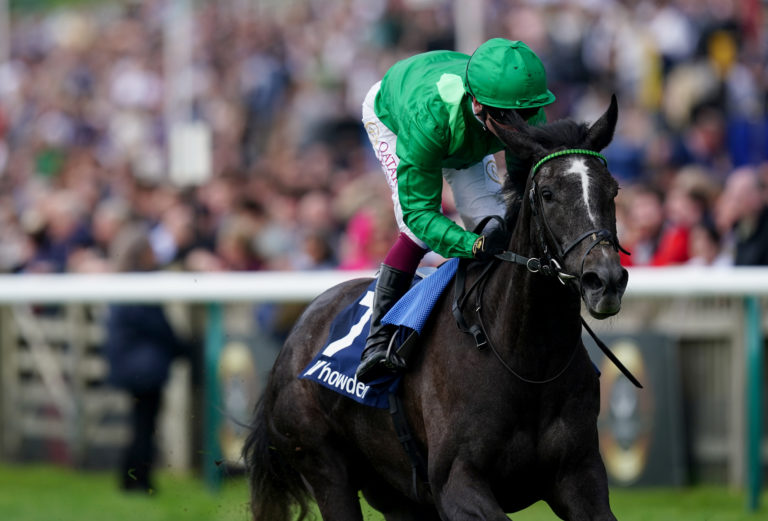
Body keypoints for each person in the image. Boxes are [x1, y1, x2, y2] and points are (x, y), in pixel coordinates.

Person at [356, 38, 555, 383]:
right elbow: (421, 213)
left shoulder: (525, 104)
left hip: (463, 128)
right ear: (479, 104)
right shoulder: (428, 118)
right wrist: (471, 246)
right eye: (510, 119)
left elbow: (521, 184)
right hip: (397, 116)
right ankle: (379, 337)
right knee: (416, 230)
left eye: (525, 116)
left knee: (495, 223)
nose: (521, 127)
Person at [104, 224, 189, 493]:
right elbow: (157, 326)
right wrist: (184, 349)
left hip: (132, 365)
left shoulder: (123, 282)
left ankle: (130, 479)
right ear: (142, 253)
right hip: (145, 368)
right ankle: (139, 481)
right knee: (145, 425)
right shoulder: (141, 284)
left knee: (139, 424)